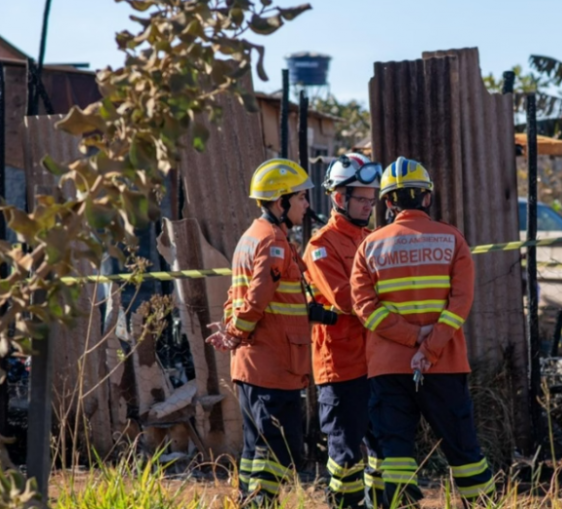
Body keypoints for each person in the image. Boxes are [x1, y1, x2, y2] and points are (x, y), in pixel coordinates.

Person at [350, 157, 495, 507]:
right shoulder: (452, 240)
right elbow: (460, 304)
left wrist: (410, 337)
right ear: (427, 197)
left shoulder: (369, 246)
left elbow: (364, 308)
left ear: (388, 202)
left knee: (395, 453)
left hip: (388, 368)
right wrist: (428, 347)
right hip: (444, 364)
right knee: (464, 451)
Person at [207, 158, 314, 507]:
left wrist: (232, 330)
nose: (306, 204)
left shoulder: (250, 237)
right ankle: (260, 502)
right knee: (279, 448)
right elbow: (255, 298)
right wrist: (234, 333)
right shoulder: (273, 241)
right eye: (301, 197)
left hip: (255, 365)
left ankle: (249, 500)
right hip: (273, 363)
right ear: (281, 201)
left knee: (256, 447)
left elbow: (233, 295)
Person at [303, 153, 388, 508]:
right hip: (340, 367)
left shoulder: (371, 238)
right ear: (339, 198)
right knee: (345, 456)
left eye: (372, 199)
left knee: (383, 452)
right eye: (362, 199)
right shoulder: (320, 246)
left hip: (376, 363)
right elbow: (345, 298)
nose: (369, 206)